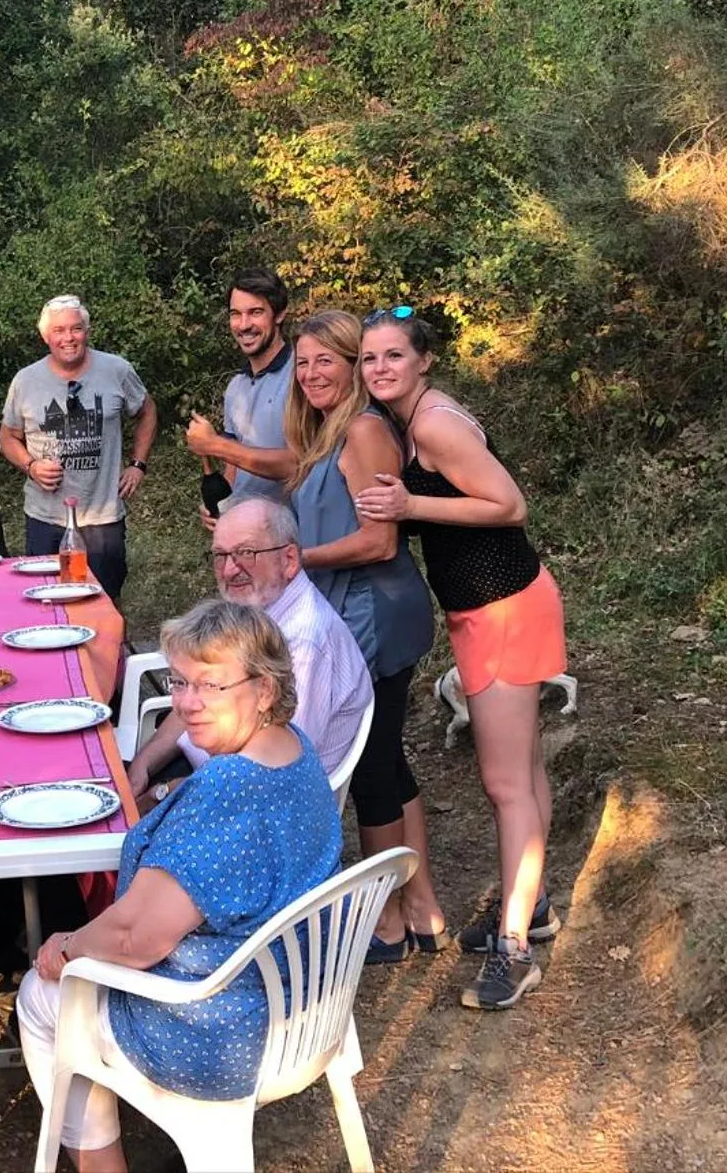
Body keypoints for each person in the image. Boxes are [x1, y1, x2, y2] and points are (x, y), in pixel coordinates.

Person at [18, 600, 341, 1173]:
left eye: (210, 686)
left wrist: (65, 949)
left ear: (264, 690)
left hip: (223, 1030)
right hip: (304, 1000)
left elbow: (135, 939)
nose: (187, 703)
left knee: (42, 996)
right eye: (181, 681)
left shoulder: (228, 790)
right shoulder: (294, 748)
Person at [353, 307, 568, 1011]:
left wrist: (411, 501)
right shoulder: (413, 422)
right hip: (489, 607)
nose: (379, 368)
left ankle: (515, 953)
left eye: (393, 356)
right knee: (522, 768)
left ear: (424, 361)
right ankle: (528, 907)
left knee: (505, 782)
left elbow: (509, 504)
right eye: (369, 358)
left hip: (505, 606)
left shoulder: (434, 425)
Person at [284, 308, 446, 963]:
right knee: (390, 760)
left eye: (327, 359)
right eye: (302, 362)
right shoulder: (327, 433)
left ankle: (385, 922)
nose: (312, 372)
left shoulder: (364, 431)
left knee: (372, 765)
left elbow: (380, 541)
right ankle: (423, 905)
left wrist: (294, 560)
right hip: (352, 614)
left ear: (353, 366)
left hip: (374, 616)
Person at [124, 500, 370, 804]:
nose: (229, 569)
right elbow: (194, 686)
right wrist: (143, 765)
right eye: (221, 555)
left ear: (289, 559)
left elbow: (268, 775)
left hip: (246, 804)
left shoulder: (303, 643)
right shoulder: (255, 609)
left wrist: (164, 793)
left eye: (246, 553)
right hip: (206, 769)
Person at [0, 294, 157, 604]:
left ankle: (109, 653)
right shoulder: (26, 381)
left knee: (103, 603)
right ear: (45, 336)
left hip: (102, 517)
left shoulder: (116, 370)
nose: (68, 338)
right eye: (59, 331)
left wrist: (138, 465)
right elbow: (7, 438)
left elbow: (148, 412)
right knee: (48, 603)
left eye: (76, 328)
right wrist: (30, 465)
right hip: (46, 518)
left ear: (87, 330)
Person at [184, 268, 297, 517]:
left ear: (279, 314)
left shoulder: (302, 375)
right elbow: (233, 470)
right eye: (236, 314)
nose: (244, 325)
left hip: (292, 535)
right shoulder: (236, 387)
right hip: (246, 533)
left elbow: (300, 464)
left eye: (255, 312)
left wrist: (214, 444)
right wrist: (224, 508)